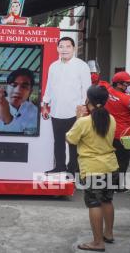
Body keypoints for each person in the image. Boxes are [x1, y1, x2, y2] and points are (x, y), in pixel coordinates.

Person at [66, 85, 118, 252]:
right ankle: (108, 234)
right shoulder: (112, 119)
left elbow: (70, 139)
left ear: (88, 100)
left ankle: (97, 243)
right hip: (111, 166)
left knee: (94, 203)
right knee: (107, 200)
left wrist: (78, 117)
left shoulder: (84, 122)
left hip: (92, 168)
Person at [42, 37, 92, 174]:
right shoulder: (53, 66)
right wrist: (45, 104)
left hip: (74, 112)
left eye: (68, 46)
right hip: (56, 111)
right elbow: (49, 86)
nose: (64, 49)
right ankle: (59, 167)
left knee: (73, 142)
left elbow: (86, 89)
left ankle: (73, 170)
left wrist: (83, 107)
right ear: (57, 48)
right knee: (58, 141)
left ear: (74, 48)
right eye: (61, 46)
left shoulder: (82, 66)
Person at [99, 72, 130, 184]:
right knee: (122, 161)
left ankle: (107, 183)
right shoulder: (126, 99)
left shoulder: (107, 91)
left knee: (109, 159)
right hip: (124, 135)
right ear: (120, 85)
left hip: (107, 132)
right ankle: (118, 186)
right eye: (128, 83)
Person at [0, 68, 38, 134]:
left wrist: (9, 120)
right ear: (7, 87)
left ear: (30, 91)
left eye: (24, 87)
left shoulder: (34, 111)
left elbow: (30, 138)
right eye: (14, 85)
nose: (17, 91)